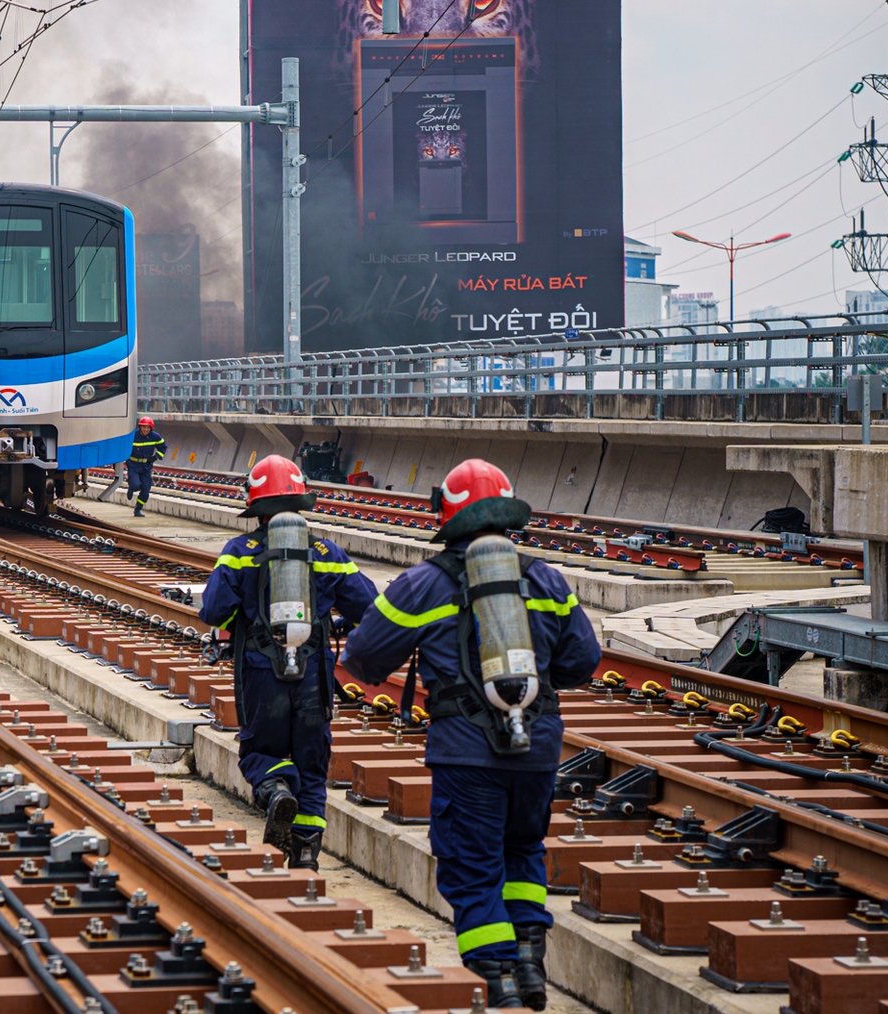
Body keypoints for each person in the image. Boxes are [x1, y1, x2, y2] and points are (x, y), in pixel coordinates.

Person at [340, 459, 601, 1010]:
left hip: (466, 753)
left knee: (472, 861)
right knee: (523, 848)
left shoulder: (423, 584)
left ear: (447, 514)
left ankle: (499, 984)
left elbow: (363, 659)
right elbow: (582, 662)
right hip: (539, 749)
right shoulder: (546, 579)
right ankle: (530, 959)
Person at [197, 454, 375, 871]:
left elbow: (213, 610)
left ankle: (276, 790)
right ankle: (306, 854)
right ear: (300, 501)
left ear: (255, 504)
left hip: (261, 672)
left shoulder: (240, 551)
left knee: (259, 750)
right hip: (314, 673)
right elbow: (369, 605)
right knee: (312, 763)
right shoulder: (327, 551)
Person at [125, 416, 165, 516]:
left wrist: (156, 457)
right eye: (144, 427)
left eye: (148, 427)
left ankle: (138, 509)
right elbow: (124, 448)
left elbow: (163, 447)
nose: (146, 429)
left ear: (151, 428)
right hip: (133, 465)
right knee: (135, 485)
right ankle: (131, 487)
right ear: (140, 427)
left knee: (146, 490)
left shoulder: (155, 436)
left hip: (146, 467)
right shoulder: (133, 436)